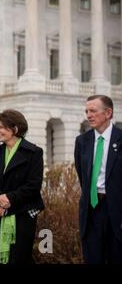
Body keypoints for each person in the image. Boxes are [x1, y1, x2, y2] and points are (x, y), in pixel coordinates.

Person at [0, 109, 44, 264]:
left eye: (2, 127)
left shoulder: (34, 152)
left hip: (22, 214)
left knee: (19, 257)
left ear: (15, 129)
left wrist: (9, 200)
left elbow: (33, 185)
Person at [74, 95, 122, 263]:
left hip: (116, 209)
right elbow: (82, 176)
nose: (88, 115)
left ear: (108, 113)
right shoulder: (82, 141)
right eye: (87, 111)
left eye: (93, 111)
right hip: (91, 209)